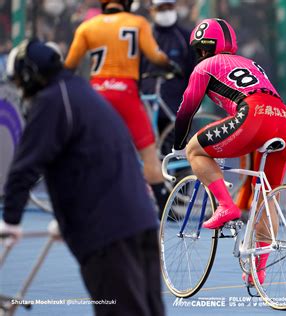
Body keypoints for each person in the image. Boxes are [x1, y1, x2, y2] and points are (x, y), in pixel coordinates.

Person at [0, 39, 164, 315]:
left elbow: (25, 166)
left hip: (107, 234)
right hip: (141, 221)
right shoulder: (83, 94)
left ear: (29, 76)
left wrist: (11, 220)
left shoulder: (52, 101)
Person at [172, 18, 286, 284]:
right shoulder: (251, 63)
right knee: (267, 195)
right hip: (284, 119)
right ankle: (258, 271)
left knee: (196, 149)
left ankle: (226, 206)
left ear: (203, 49)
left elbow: (186, 110)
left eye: (200, 50)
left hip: (253, 116)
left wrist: (177, 144)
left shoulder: (205, 65)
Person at [64, 0, 181, 212]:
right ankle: (165, 209)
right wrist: (171, 66)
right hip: (126, 92)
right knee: (148, 155)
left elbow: (69, 65)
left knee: (91, 150)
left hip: (97, 94)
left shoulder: (87, 26)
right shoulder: (137, 22)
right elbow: (155, 55)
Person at [141, 0, 196, 139]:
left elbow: (193, 70)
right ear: (151, 10)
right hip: (147, 97)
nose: (165, 12)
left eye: (169, 7)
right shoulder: (144, 35)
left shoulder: (184, 36)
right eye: (161, 8)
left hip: (175, 100)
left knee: (172, 142)